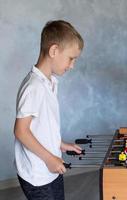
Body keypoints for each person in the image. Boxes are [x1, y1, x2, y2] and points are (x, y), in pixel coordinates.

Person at [14, 20, 84, 200]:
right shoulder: (33, 87)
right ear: (54, 51)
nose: (72, 65)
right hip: (37, 174)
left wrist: (61, 144)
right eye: (71, 58)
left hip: (51, 167)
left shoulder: (51, 82)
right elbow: (21, 131)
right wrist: (49, 159)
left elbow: (44, 126)